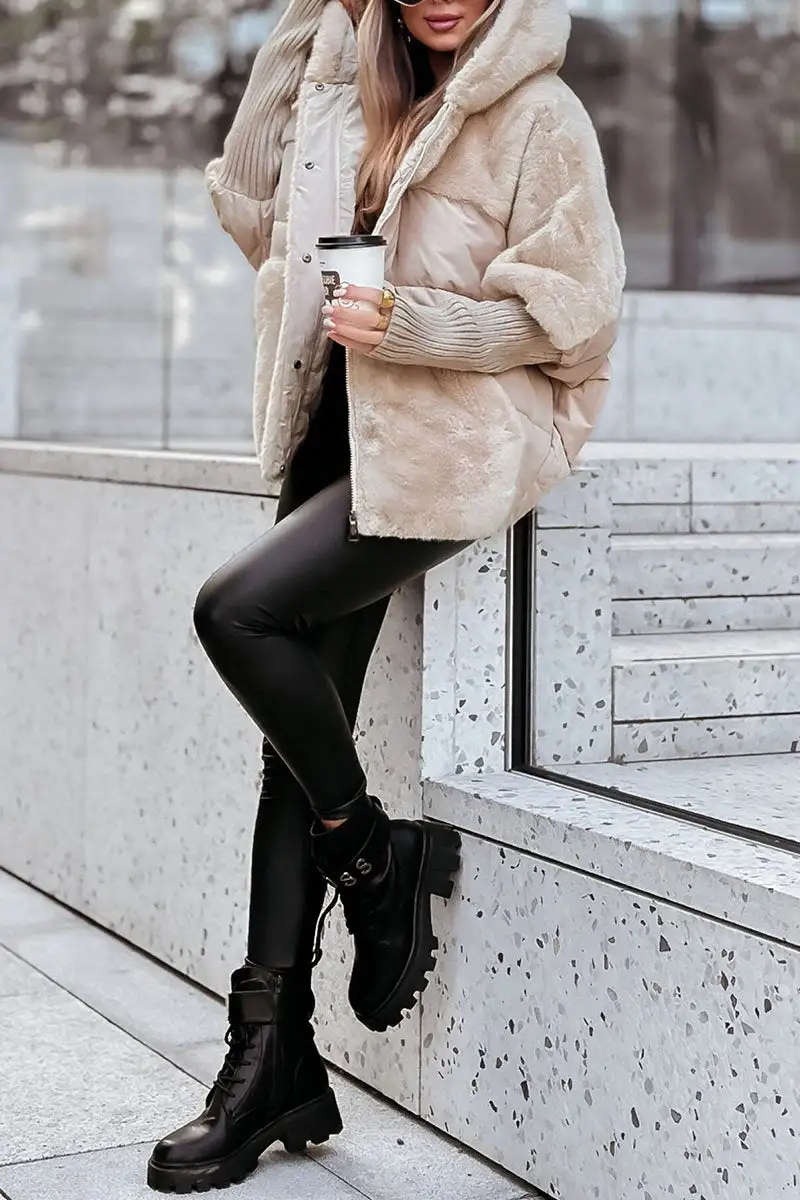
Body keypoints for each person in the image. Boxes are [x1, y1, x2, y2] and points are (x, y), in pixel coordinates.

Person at [147, 0, 624, 1191]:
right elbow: (249, 212)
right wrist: (309, 29)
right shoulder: (347, 95)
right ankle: (270, 1058)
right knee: (288, 759)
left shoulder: (539, 114)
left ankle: (371, 853)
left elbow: (571, 321)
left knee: (234, 612)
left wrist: (411, 325)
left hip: (448, 445)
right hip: (332, 436)